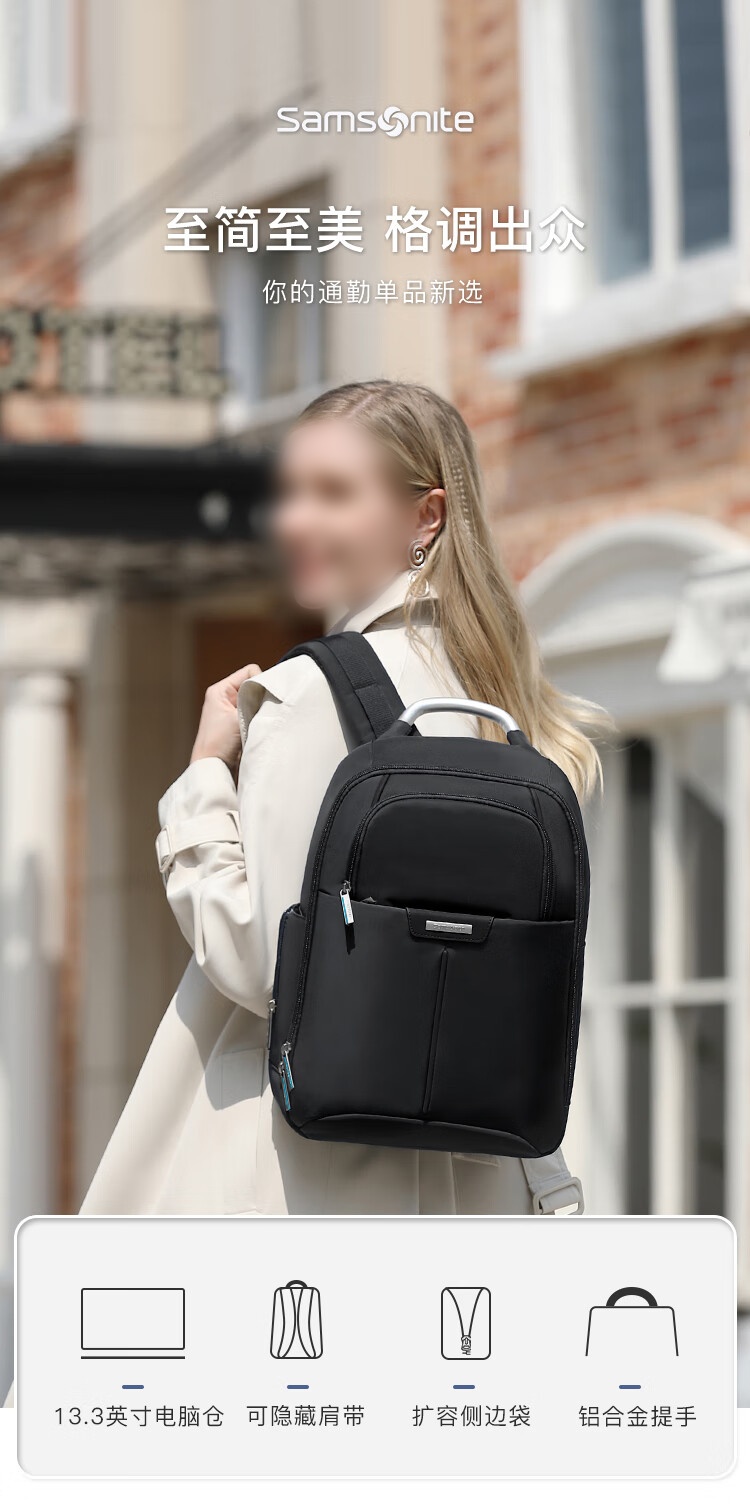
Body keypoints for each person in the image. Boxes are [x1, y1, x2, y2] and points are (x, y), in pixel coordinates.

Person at [81, 379, 602, 1219]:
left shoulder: (309, 693)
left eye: (333, 493)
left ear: (425, 516)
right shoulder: (497, 701)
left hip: (301, 1175)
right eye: (292, 493)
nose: (294, 521)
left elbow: (262, 964)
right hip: (472, 1176)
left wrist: (204, 776)